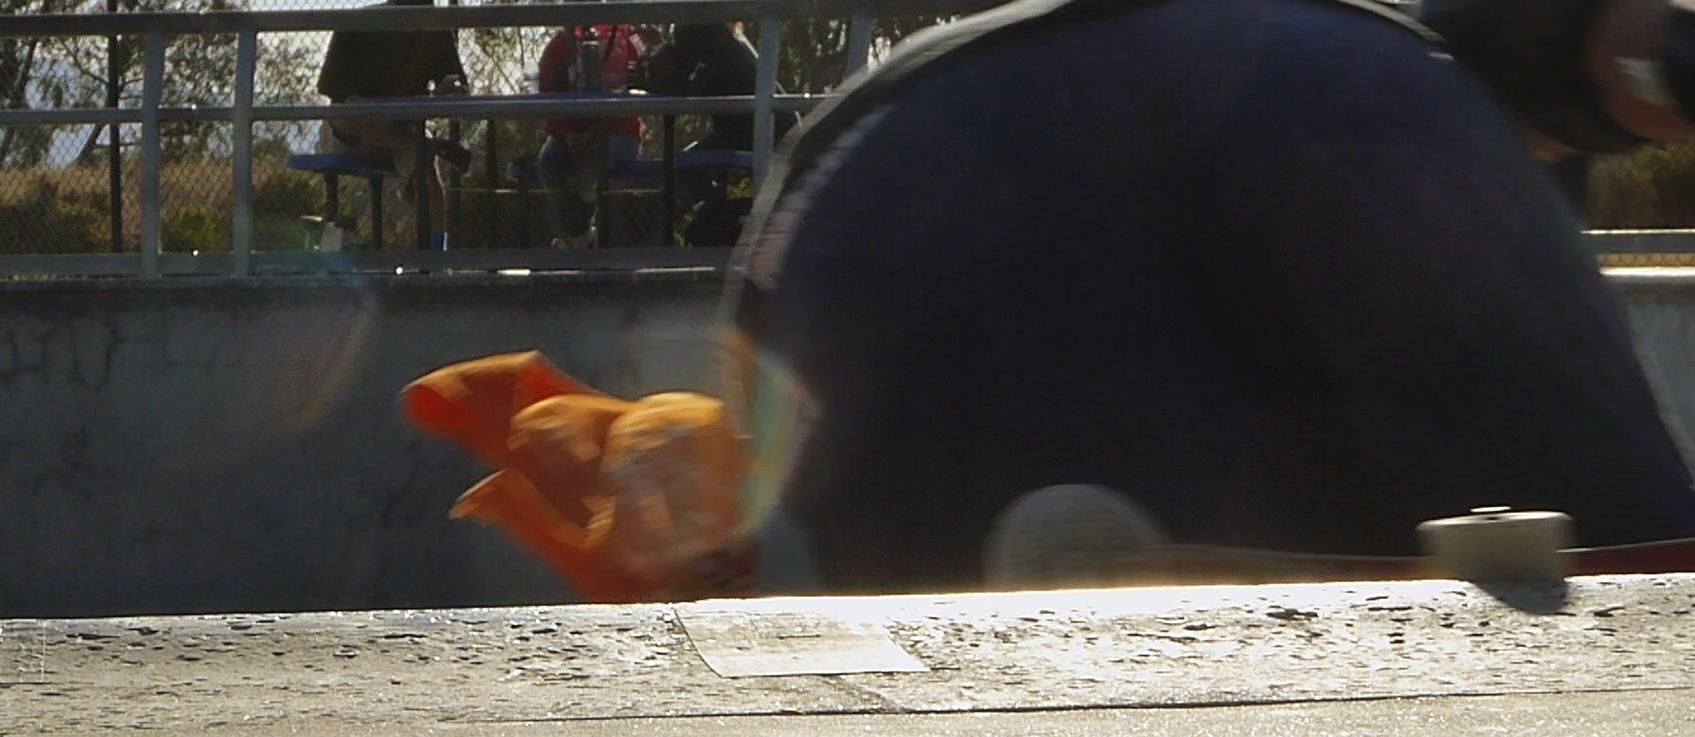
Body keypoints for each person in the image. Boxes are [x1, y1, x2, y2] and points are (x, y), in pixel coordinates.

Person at [723, 0, 1695, 594]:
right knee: (1642, 577)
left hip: (828, 198)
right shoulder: (1411, 93)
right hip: (1295, 99)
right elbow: (1630, 55)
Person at [316, 0, 472, 250]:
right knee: (353, 118)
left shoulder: (434, 28)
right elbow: (340, 105)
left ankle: (436, 259)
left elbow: (457, 85)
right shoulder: (357, 24)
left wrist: (452, 93)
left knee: (426, 178)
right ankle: (431, 145)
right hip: (354, 134)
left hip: (405, 129)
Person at [534, 24, 653, 249]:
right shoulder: (558, 47)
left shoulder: (623, 44)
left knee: (591, 164)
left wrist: (599, 131)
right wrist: (568, 133)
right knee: (549, 162)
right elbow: (550, 99)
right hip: (569, 134)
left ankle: (574, 240)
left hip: (619, 133)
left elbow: (637, 96)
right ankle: (582, 239)